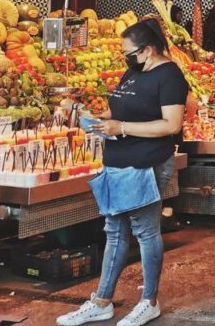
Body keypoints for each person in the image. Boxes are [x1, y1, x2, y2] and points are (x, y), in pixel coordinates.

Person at [58, 20, 188, 326]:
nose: (124, 57)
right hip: (117, 161)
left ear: (148, 50)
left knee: (145, 232)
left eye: (128, 52)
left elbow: (172, 125)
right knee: (114, 232)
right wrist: (88, 117)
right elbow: (119, 111)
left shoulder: (169, 76)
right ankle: (101, 301)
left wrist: (123, 128)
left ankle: (149, 301)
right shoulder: (135, 72)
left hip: (146, 163)